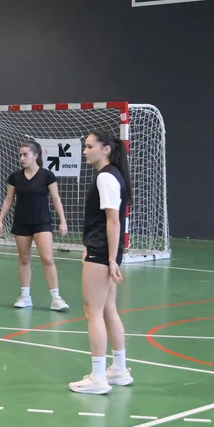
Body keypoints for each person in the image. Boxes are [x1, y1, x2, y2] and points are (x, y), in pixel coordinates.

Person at [69, 131, 134, 395]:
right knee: (108, 309)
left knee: (92, 312)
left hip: (101, 252)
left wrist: (110, 259)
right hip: (104, 251)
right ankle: (118, 370)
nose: (85, 151)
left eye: (89, 146)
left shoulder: (106, 177)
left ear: (105, 149)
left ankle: (98, 378)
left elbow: (113, 220)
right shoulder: (111, 175)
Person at [0, 140, 69, 311]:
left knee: (47, 259)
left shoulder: (47, 175)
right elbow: (8, 199)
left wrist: (63, 221)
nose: (21, 158)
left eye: (25, 154)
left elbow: (56, 198)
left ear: (36, 155)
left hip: (42, 222)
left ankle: (56, 298)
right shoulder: (15, 177)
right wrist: (0, 220)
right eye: (20, 155)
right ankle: (25, 296)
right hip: (21, 223)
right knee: (24, 259)